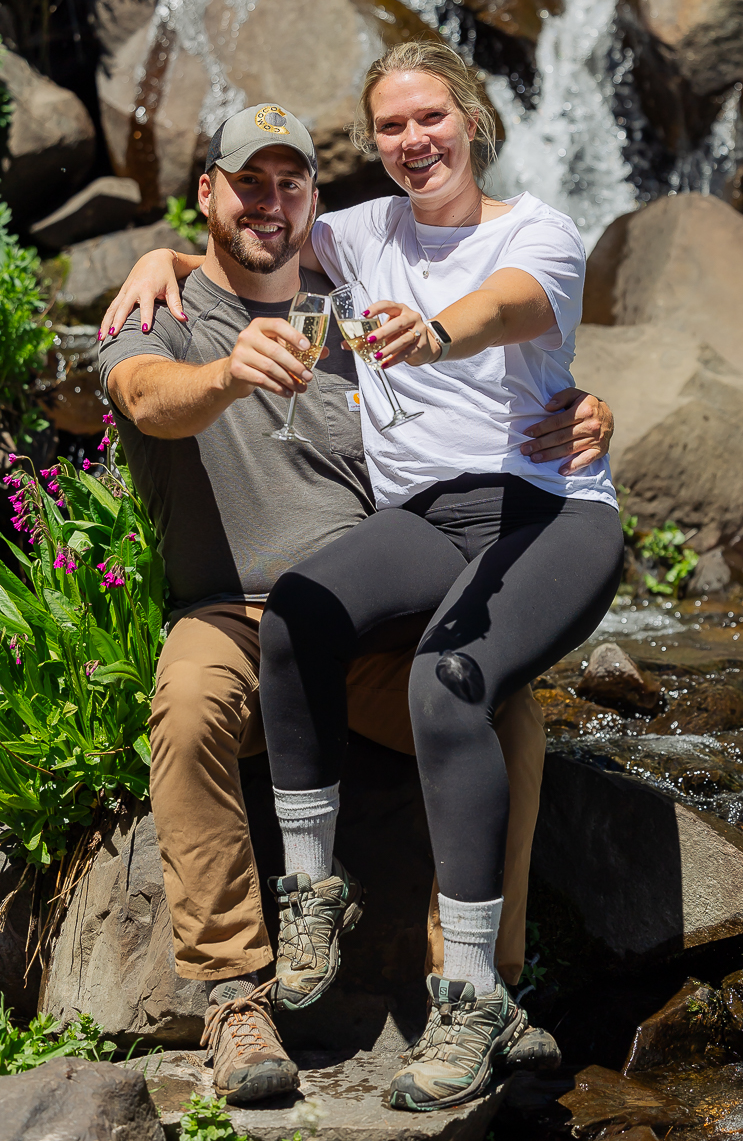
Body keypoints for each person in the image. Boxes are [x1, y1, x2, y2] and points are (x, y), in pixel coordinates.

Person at [98, 98, 615, 1107]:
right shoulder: (156, 313)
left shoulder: (345, 305)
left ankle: (479, 984)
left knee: (501, 712)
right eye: (247, 181)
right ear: (205, 193)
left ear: (313, 205)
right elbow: (148, 396)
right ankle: (233, 989)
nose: (270, 202)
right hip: (231, 617)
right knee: (191, 706)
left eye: (290, 184)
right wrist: (219, 372)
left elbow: (477, 382)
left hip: (369, 625)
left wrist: (590, 407)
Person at [250, 40, 625, 1113]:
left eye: (430, 118)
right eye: (390, 127)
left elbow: (508, 303)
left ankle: (471, 992)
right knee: (297, 616)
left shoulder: (538, 230)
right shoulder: (360, 231)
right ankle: (312, 889)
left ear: (472, 117)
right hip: (429, 515)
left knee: (445, 680)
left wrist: (436, 330)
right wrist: (159, 266)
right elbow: (248, 243)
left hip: (549, 509)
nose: (413, 141)